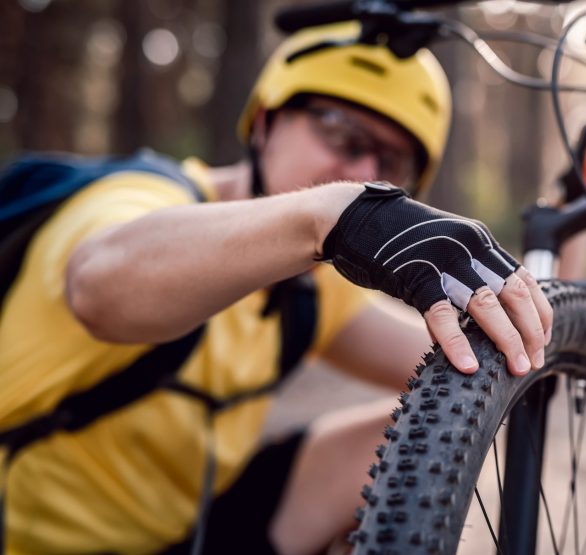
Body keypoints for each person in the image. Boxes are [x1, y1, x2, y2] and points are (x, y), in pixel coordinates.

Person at [0, 21, 552, 555]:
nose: (360, 168)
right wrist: (329, 216)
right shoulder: (137, 198)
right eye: (337, 129)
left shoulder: (310, 292)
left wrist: (565, 277)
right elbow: (99, 286)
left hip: (189, 532)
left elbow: (488, 360)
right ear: (264, 122)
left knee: (418, 419)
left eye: (391, 162)